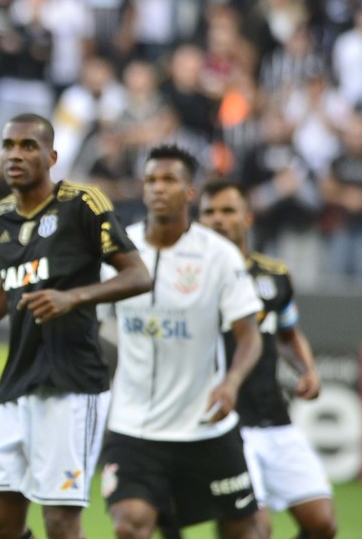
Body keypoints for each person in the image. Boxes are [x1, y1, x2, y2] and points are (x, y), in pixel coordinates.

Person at [0, 113, 153, 539]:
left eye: (28, 146)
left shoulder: (83, 203)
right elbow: (6, 288)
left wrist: (73, 297)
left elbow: (139, 275)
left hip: (72, 381)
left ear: (52, 156)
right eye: (8, 145)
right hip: (19, 380)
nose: (15, 154)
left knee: (61, 522)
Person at [100, 144, 264, 539]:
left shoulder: (219, 256)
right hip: (134, 426)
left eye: (169, 180)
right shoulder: (118, 251)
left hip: (204, 427)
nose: (158, 188)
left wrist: (232, 382)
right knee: (130, 525)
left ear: (190, 192)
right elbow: (93, 322)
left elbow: (249, 335)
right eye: (151, 180)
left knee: (247, 530)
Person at [199, 179, 337, 539]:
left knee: (322, 524)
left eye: (227, 211)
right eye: (208, 212)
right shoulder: (189, 278)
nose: (217, 219)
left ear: (247, 218)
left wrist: (307, 369)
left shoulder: (274, 277)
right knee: (252, 529)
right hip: (223, 423)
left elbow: (287, 333)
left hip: (274, 418)